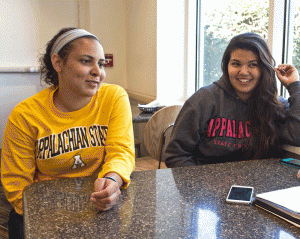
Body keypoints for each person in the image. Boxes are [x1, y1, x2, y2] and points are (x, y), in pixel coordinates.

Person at [1, 27, 135, 238]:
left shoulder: (114, 97)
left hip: (98, 207)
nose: (97, 71)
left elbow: (121, 152)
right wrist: (55, 222)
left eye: (101, 63)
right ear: (58, 63)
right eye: (85, 61)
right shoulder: (25, 115)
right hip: (43, 214)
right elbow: (16, 184)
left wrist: (112, 180)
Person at [165, 32, 300, 168]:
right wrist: (199, 185)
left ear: (263, 69)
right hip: (205, 185)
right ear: (226, 66)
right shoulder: (203, 100)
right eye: (236, 64)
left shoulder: (274, 104)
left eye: (253, 65)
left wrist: (294, 86)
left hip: (257, 185)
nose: (243, 72)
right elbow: (177, 155)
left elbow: (296, 136)